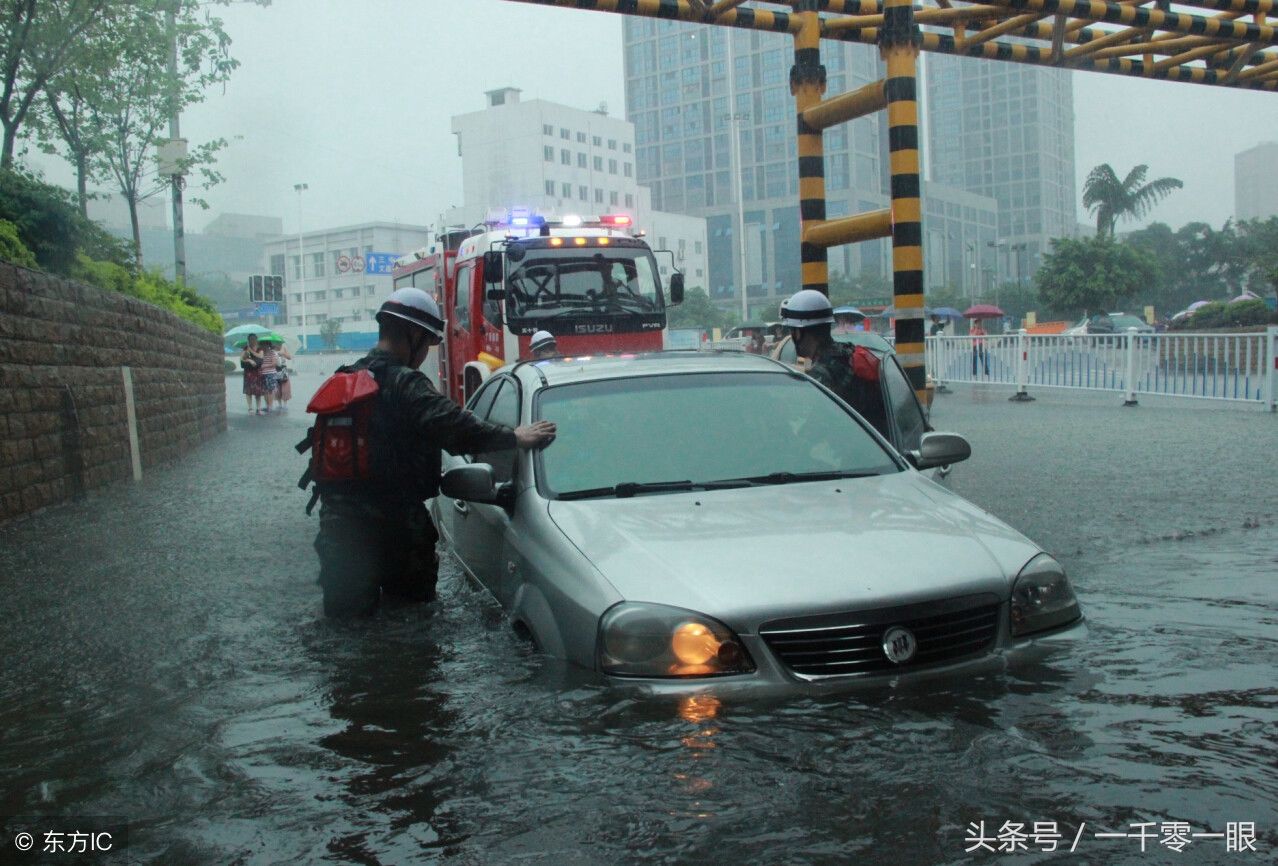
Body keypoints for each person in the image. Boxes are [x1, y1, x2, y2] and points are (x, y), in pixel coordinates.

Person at [308, 287, 557, 617]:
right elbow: (456, 428)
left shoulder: (346, 377)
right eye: (426, 343)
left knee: (346, 627)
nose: (425, 353)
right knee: (413, 618)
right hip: (397, 526)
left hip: (339, 528)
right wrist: (514, 436)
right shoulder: (406, 383)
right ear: (412, 336)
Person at [779, 290, 889, 440]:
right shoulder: (847, 353)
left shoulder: (823, 373)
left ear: (798, 333)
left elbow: (815, 428)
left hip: (858, 449)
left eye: (792, 331)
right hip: (879, 444)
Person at [240, 333, 266, 414]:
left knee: (258, 391)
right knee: (248, 390)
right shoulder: (246, 348)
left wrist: (251, 351)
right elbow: (242, 359)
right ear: (248, 340)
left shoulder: (260, 348)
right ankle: (250, 408)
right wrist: (249, 359)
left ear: (256, 339)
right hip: (248, 372)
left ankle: (258, 409)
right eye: (250, 339)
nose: (252, 340)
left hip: (257, 372)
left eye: (254, 339)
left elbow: (261, 357)